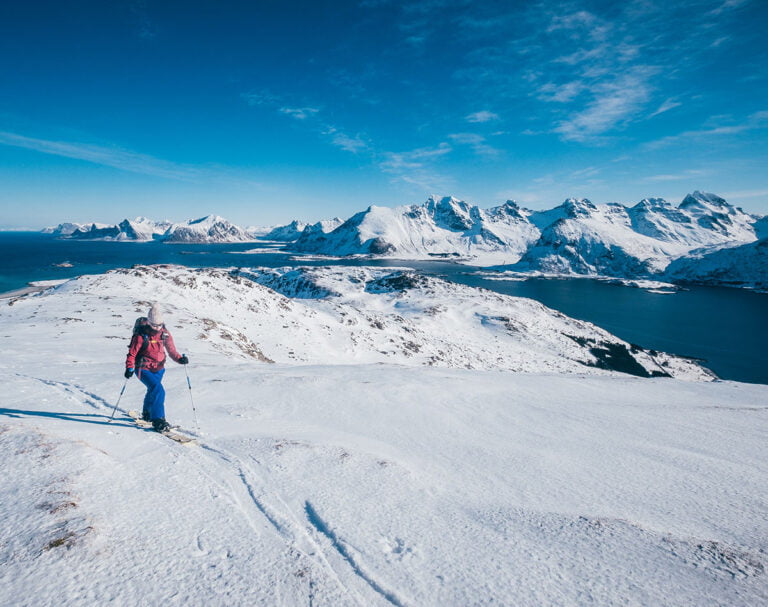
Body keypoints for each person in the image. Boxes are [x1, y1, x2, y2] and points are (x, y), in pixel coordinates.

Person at [125, 303, 189, 432]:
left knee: (153, 390)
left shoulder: (165, 334)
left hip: (159, 369)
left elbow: (172, 351)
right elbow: (132, 353)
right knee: (159, 390)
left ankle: (147, 413)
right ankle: (158, 419)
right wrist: (129, 368)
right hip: (143, 368)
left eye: (159, 325)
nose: (157, 327)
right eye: (154, 325)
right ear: (149, 322)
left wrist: (180, 359)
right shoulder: (141, 336)